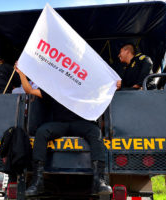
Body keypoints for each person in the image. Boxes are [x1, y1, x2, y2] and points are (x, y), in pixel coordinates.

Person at [14, 63, 112, 197]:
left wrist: (114, 84)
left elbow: (102, 91)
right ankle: (38, 182)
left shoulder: (82, 88)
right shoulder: (53, 89)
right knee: (42, 132)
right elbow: (29, 90)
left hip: (80, 123)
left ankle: (99, 181)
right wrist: (21, 73)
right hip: (60, 124)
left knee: (95, 132)